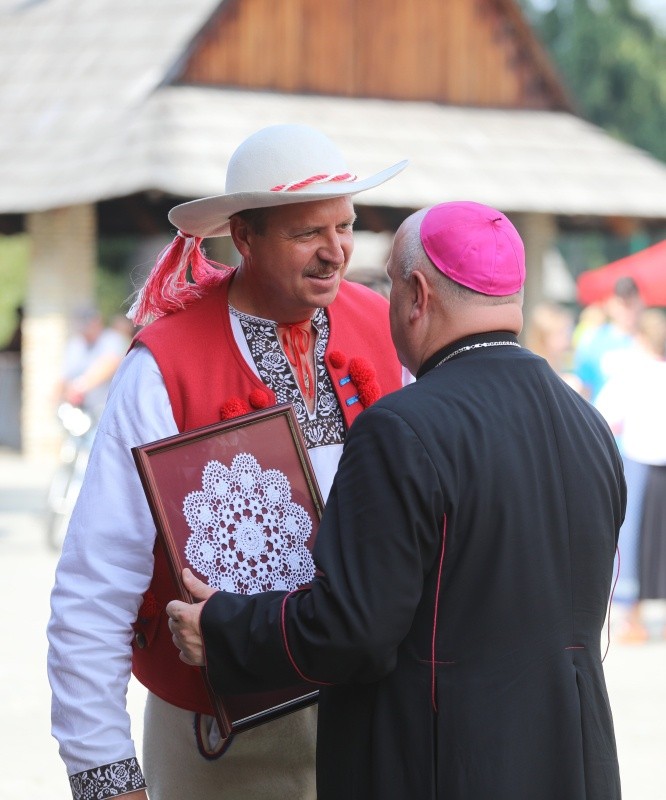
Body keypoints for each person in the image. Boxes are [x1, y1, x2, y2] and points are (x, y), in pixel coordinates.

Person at [168, 201, 625, 800]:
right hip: (570, 764)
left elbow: (354, 628)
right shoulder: (587, 424)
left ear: (416, 293)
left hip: (442, 764)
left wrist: (224, 627)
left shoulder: (400, 428)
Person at [47, 123, 407, 800]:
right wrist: (105, 774)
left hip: (373, 717)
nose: (336, 252)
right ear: (244, 237)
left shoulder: (385, 327)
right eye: (308, 233)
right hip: (218, 738)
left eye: (346, 226)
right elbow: (98, 583)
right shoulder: (163, 366)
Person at [595, 307, 666, 640]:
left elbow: (604, 415)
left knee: (634, 540)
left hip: (639, 460)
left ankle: (633, 618)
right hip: (655, 460)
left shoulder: (631, 374)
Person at [56, 306, 130, 421]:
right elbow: (63, 377)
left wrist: (79, 387)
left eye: (91, 322)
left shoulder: (112, 339)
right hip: (80, 415)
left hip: (107, 412)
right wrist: (62, 396)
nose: (87, 327)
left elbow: (109, 363)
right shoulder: (76, 344)